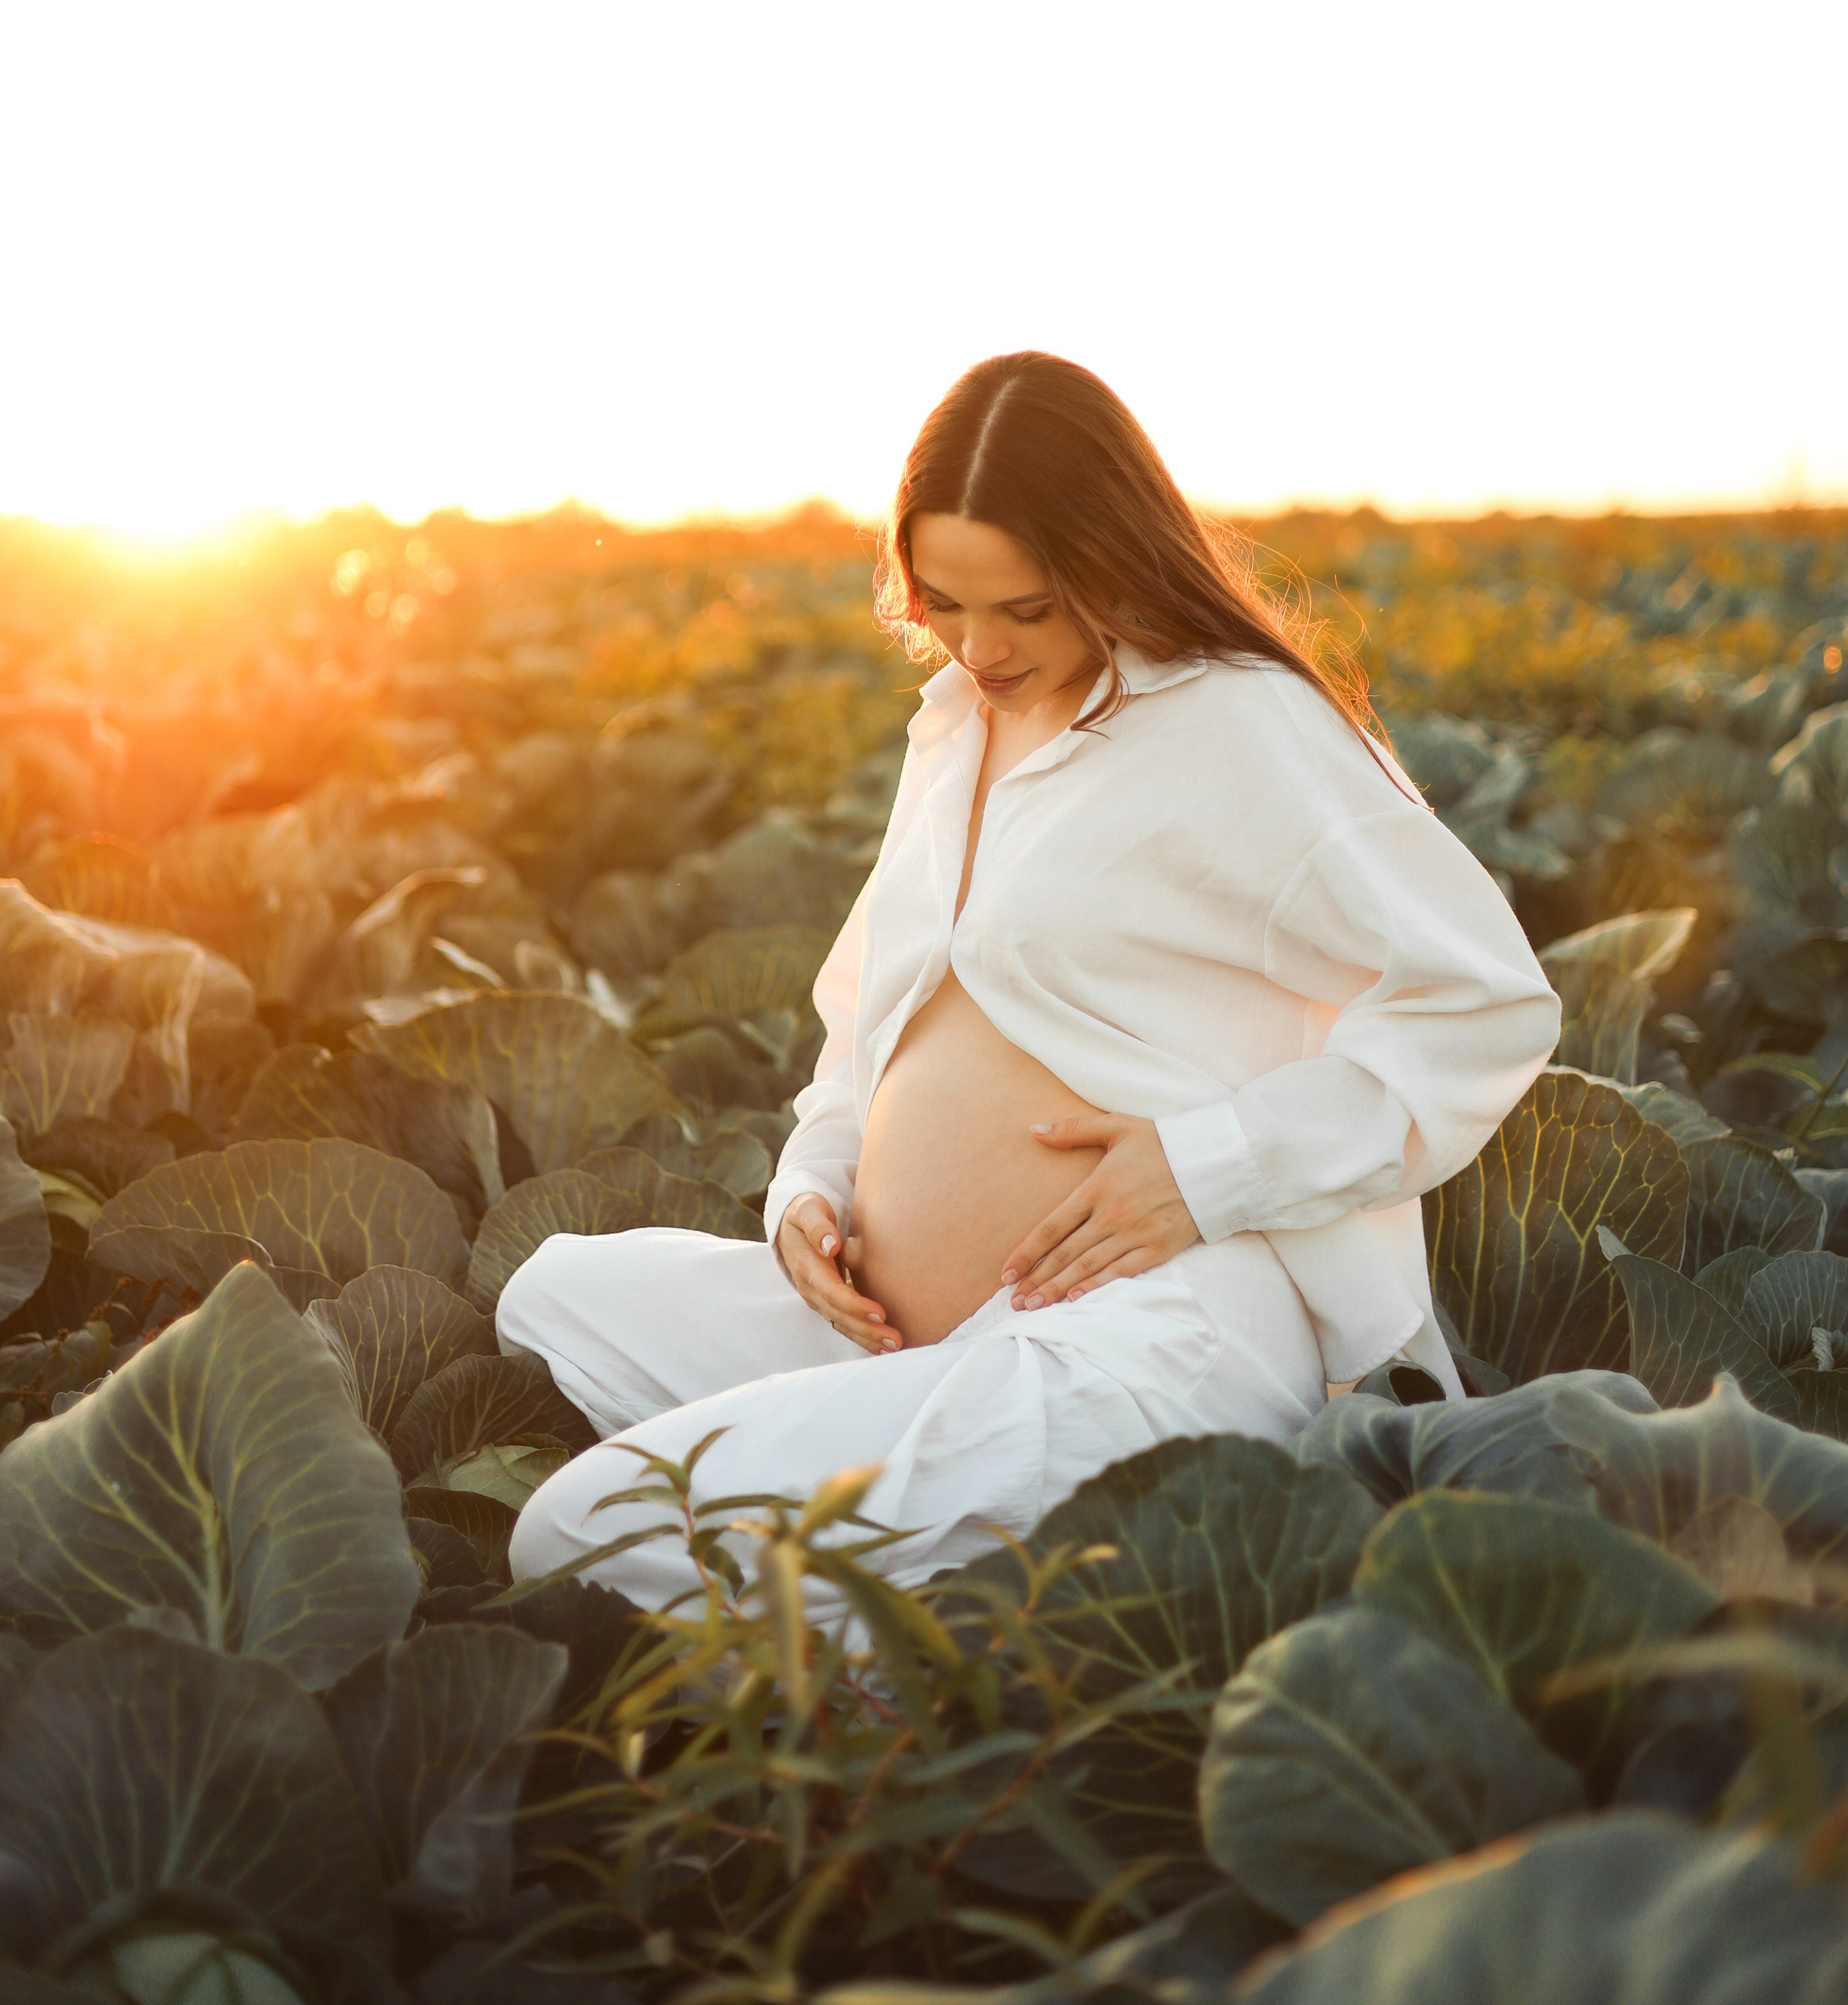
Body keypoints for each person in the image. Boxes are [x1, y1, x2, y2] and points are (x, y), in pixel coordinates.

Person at [499, 352, 1560, 1611]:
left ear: (1113, 562)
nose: (979, 645)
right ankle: (936, 1551)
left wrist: (1207, 1167)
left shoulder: (1238, 720)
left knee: (571, 1531)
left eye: (1029, 609)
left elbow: (1484, 1001)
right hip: (916, 1321)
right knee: (553, 1297)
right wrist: (811, 1191)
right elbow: (875, 1019)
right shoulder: (959, 728)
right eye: (946, 601)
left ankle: (958, 1665)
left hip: (1152, 1326)